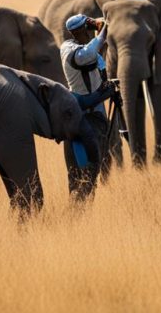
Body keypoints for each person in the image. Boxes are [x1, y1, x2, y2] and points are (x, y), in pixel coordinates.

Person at [61, 14, 115, 199]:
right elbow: (89, 54)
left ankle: (80, 214)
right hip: (84, 117)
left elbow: (96, 54)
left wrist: (97, 27)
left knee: (86, 174)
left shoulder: (83, 47)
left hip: (87, 115)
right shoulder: (71, 49)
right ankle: (78, 210)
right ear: (80, 31)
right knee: (84, 172)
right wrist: (102, 30)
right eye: (87, 28)